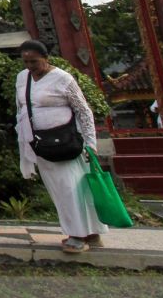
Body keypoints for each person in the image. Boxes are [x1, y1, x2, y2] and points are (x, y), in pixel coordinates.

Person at [14, 39, 106, 253]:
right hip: (40, 142)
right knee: (59, 190)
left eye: (34, 61)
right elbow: (21, 108)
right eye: (25, 61)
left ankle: (79, 234)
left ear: (46, 58)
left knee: (72, 189)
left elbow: (83, 111)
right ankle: (88, 232)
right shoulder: (22, 78)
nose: (30, 66)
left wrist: (91, 143)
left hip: (66, 141)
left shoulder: (62, 78)